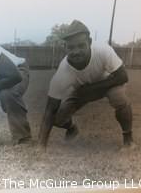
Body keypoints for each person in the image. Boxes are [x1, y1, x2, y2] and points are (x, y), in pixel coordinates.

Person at [38, 20, 134, 151]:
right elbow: (50, 110)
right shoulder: (62, 73)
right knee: (58, 118)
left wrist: (91, 89)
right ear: (64, 47)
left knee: (119, 98)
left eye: (81, 45)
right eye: (71, 47)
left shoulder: (103, 50)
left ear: (89, 42)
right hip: (81, 92)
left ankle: (128, 140)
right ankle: (72, 128)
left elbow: (123, 76)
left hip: (108, 84)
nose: (76, 51)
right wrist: (41, 146)